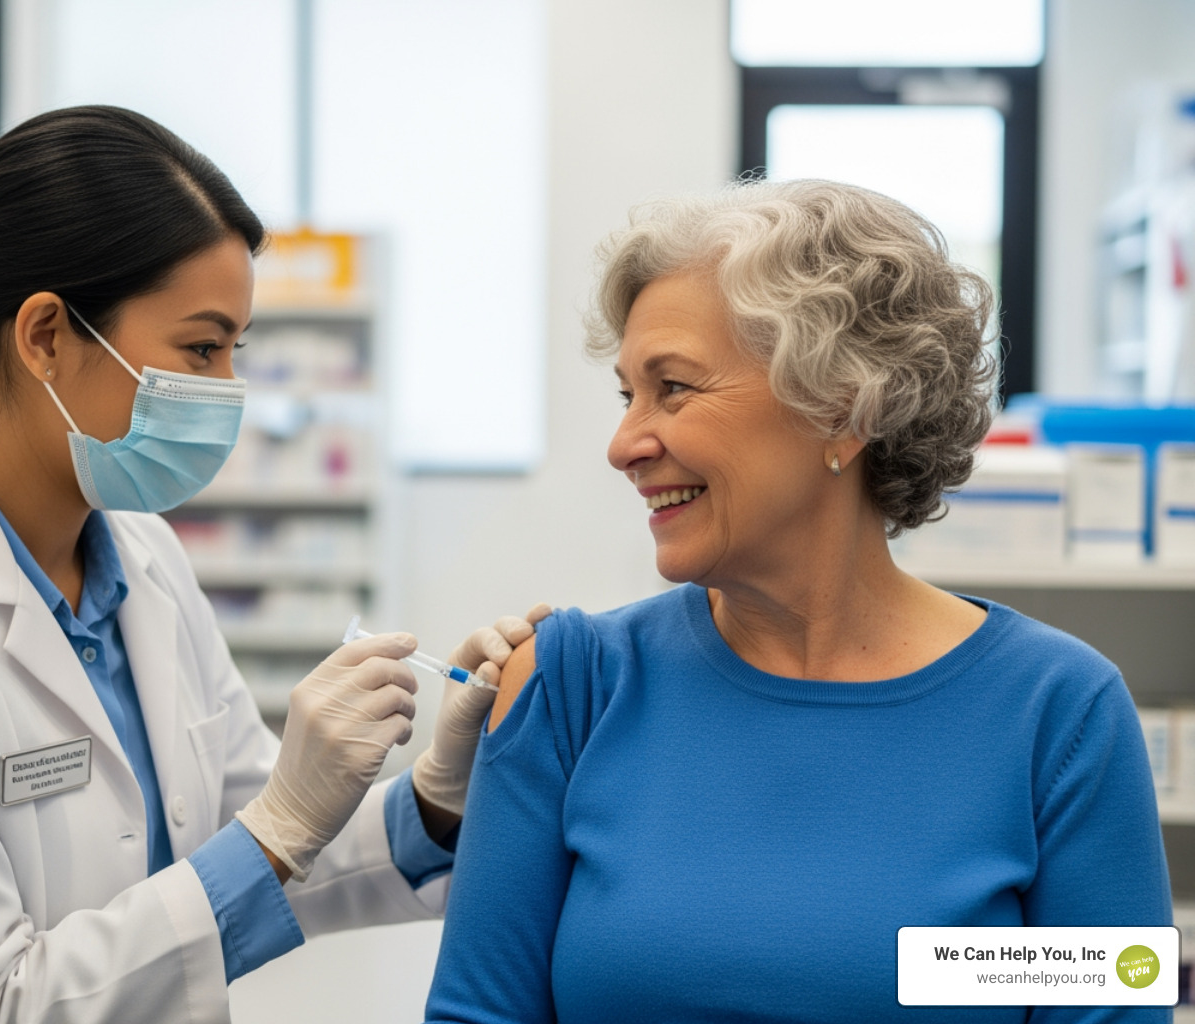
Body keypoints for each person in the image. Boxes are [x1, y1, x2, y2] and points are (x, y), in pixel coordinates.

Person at [0, 105, 545, 1024]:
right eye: (200, 348)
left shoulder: (141, 558)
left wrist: (431, 803)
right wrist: (278, 829)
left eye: (234, 351)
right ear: (45, 337)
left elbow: (247, 837)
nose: (227, 391)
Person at [424, 179, 1173, 1023]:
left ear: (843, 406)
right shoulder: (571, 688)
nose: (624, 444)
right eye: (628, 395)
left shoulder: (1055, 713)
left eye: (674, 387)